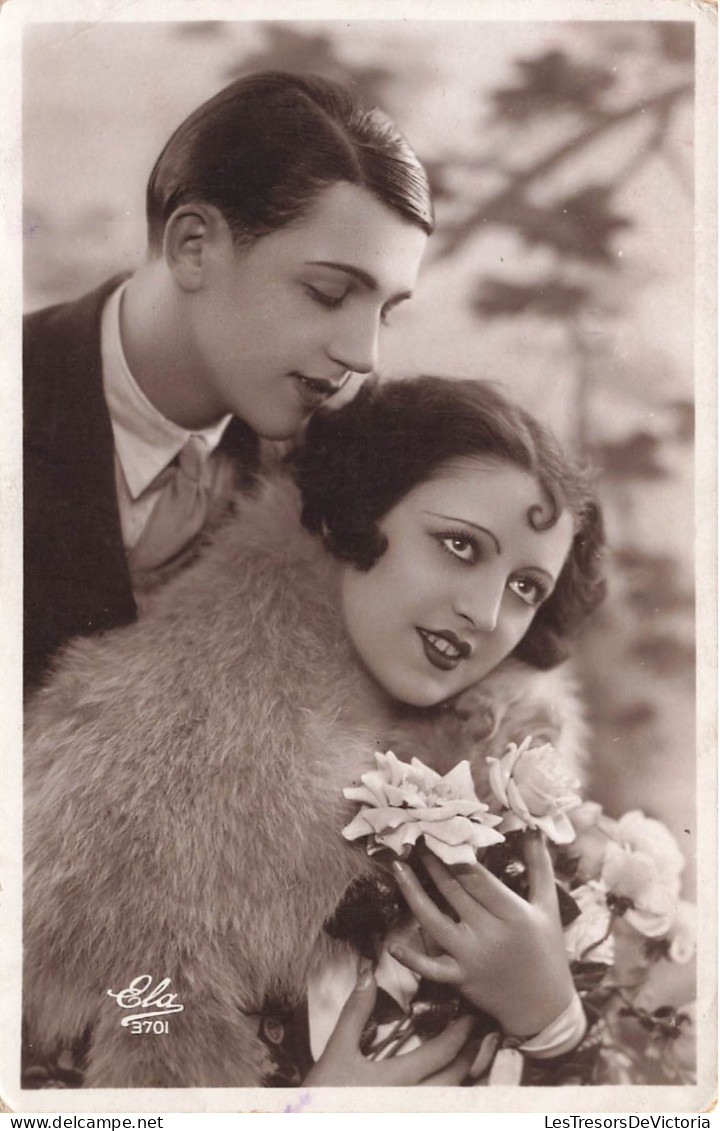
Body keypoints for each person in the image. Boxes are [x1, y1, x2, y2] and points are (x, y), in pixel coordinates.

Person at [23, 376, 606, 1089]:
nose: (486, 614)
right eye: (459, 544)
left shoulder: (509, 778)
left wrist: (552, 1017)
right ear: (358, 512)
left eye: (526, 588)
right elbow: (122, 1026)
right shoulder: (140, 742)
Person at [24, 70, 432, 694]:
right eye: (328, 294)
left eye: (385, 311)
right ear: (193, 246)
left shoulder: (329, 464)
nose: (364, 354)